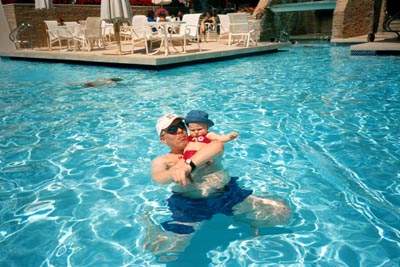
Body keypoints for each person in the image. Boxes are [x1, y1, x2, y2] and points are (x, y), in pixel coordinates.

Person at [146, 113, 291, 259]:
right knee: (166, 252)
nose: (180, 131)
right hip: (192, 205)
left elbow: (218, 146)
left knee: (281, 212)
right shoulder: (164, 161)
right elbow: (160, 177)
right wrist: (175, 171)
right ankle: (149, 226)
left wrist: (188, 165)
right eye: (172, 129)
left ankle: (243, 218)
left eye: (181, 126)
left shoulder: (203, 143)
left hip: (228, 194)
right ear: (163, 139)